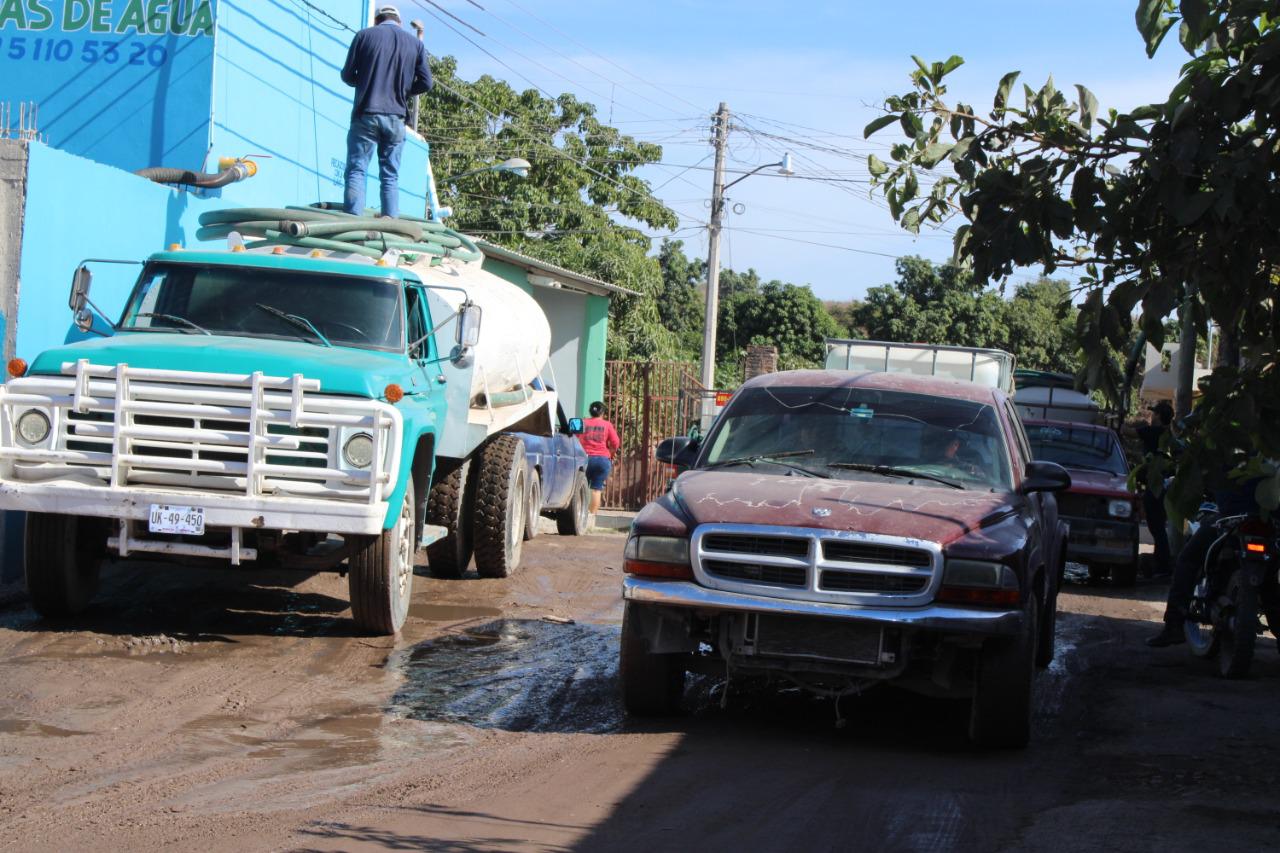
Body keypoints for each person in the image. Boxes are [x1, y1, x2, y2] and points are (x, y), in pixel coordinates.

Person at [1146, 469, 1262, 647]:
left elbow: (1200, 473)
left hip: (1233, 518)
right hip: (1270, 523)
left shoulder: (1225, 447)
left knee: (1187, 559)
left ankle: (1174, 625)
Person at [340, 6, 432, 219]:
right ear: (399, 21)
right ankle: (390, 224)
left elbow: (347, 75)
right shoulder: (415, 44)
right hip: (396, 118)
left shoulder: (364, 36)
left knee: (357, 169)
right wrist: (405, 90)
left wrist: (365, 82)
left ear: (377, 19)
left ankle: (352, 222)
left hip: (366, 113)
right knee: (390, 175)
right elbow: (427, 83)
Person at [1136, 401, 1174, 575]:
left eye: (1154, 413)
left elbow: (1126, 431)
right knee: (1158, 526)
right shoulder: (1170, 435)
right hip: (1165, 485)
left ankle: (1163, 564)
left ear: (1158, 416)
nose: (1151, 416)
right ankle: (1161, 562)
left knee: (1157, 527)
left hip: (1156, 485)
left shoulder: (1153, 432)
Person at [578, 401, 621, 515]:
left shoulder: (583, 422)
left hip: (584, 459)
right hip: (602, 460)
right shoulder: (607, 425)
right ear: (603, 413)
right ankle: (591, 516)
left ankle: (579, 515)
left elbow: (575, 437)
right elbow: (616, 442)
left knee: (581, 488)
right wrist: (611, 453)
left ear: (590, 411)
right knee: (596, 490)